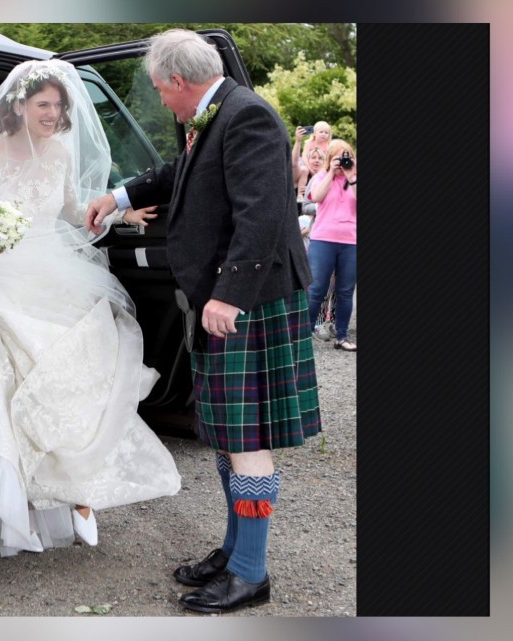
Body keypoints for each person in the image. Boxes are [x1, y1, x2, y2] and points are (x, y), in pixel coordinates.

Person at [86, 29, 322, 614]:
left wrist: (231, 295)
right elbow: (180, 174)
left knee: (247, 438)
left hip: (252, 301)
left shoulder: (249, 117)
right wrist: (117, 197)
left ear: (180, 82)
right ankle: (236, 548)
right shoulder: (210, 116)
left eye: (161, 92)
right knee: (223, 433)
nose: (162, 101)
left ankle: (250, 572)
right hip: (227, 298)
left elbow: (263, 216)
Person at [0, 59, 179, 557]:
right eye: (42, 104)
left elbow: (69, 209)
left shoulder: (61, 154)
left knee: (88, 361)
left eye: (58, 105)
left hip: (56, 267)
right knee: (27, 365)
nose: (52, 113)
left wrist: (117, 210)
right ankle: (35, 495)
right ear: (18, 105)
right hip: (1, 273)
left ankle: (76, 486)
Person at [304, 139, 357, 351]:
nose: (342, 160)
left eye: (346, 156)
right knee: (316, 289)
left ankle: (341, 336)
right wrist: (330, 173)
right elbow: (316, 197)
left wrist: (350, 175)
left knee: (345, 291)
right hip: (323, 239)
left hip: (350, 241)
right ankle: (303, 335)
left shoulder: (354, 179)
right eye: (338, 156)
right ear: (330, 158)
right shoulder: (319, 177)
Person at [292, 121, 331, 198]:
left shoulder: (328, 146)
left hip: (320, 166)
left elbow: (327, 161)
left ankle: (315, 191)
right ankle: (300, 194)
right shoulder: (309, 143)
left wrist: (320, 170)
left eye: (326, 133)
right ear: (314, 133)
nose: (324, 134)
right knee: (304, 170)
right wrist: (310, 170)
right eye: (321, 132)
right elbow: (304, 157)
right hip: (307, 164)